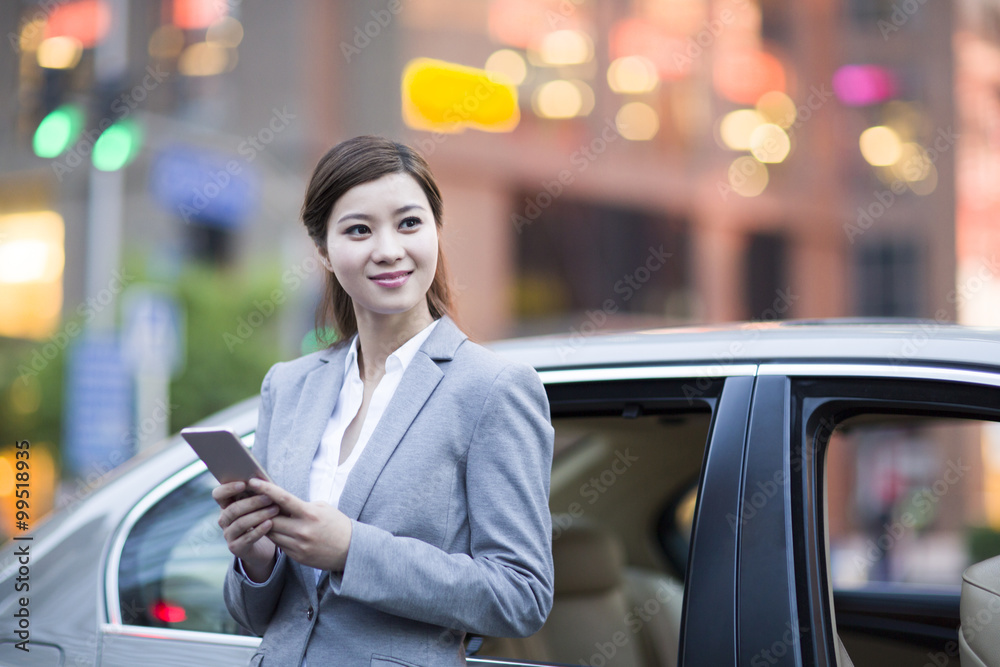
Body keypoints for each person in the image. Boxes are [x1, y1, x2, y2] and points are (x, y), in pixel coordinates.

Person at [212, 135, 555, 666]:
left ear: (436, 232)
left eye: (409, 223)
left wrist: (352, 549)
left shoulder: (493, 389)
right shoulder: (289, 386)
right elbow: (258, 617)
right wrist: (257, 557)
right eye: (358, 230)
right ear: (323, 251)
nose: (389, 249)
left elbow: (520, 596)